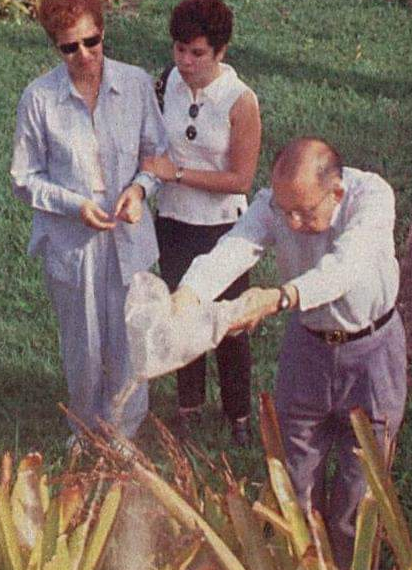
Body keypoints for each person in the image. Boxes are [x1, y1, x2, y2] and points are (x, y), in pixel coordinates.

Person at [173, 137, 407, 569]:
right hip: (308, 348)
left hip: (372, 354)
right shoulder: (275, 203)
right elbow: (234, 247)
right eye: (285, 213)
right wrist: (187, 294)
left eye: (305, 212)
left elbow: (344, 269)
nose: (293, 223)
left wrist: (279, 298)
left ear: (336, 192)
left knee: (360, 497)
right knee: (295, 486)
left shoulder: (372, 199)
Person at [10, 0, 167, 447]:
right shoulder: (39, 98)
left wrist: (140, 190)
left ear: (103, 31)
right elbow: (24, 177)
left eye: (90, 41)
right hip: (72, 241)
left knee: (128, 340)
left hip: (128, 235)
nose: (83, 54)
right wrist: (74, 205)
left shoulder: (136, 85)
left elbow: (157, 154)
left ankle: (123, 434)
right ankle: (84, 429)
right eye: (69, 47)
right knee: (83, 344)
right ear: (55, 47)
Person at [141, 0, 261, 446]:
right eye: (179, 49)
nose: (185, 61)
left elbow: (241, 180)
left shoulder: (240, 101)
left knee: (229, 324)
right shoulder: (166, 83)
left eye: (197, 53)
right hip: (173, 221)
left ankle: (238, 414)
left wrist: (176, 173)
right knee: (182, 315)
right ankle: (188, 407)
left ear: (220, 51)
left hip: (222, 227)